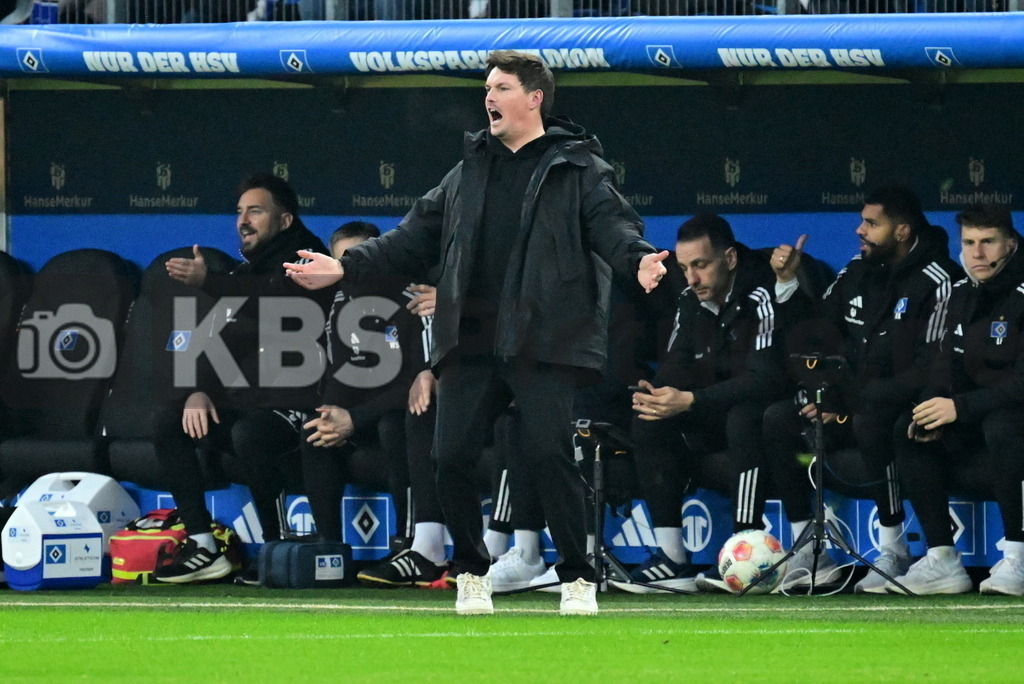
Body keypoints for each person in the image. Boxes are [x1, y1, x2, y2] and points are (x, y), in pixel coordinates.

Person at [285, 50, 668, 616]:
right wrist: (344, 268)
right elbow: (410, 237)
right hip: (471, 336)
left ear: (534, 98)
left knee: (550, 455)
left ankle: (578, 579)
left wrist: (637, 261)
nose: (489, 97)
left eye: (502, 87)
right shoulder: (468, 171)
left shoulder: (578, 167)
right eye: (487, 87)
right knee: (451, 456)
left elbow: (613, 224)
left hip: (542, 337)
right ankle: (470, 573)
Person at [763, 185, 961, 593]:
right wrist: (787, 282)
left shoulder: (939, 280)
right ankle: (811, 549)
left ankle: (893, 549)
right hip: (849, 403)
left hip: (896, 407)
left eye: (872, 223)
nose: (860, 230)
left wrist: (849, 406)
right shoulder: (858, 269)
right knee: (778, 419)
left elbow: (929, 369)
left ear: (902, 231)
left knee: (873, 419)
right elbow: (818, 331)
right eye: (862, 221)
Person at [152, 172, 333, 583]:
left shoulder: (309, 261)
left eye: (255, 211)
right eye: (239, 212)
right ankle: (203, 544)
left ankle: (275, 548)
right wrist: (198, 390)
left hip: (302, 404)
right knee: (169, 421)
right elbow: (212, 338)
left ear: (285, 221)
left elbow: (278, 305)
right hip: (252, 402)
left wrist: (209, 283)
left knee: (250, 433)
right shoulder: (241, 275)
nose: (243, 220)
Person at [610, 213, 790, 594]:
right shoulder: (690, 301)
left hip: (765, 423)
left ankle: (743, 549)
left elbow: (766, 379)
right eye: (684, 267)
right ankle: (672, 559)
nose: (691, 278)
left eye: (700, 265)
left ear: (730, 259)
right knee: (649, 418)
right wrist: (657, 393)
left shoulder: (760, 294)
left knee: (743, 418)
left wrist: (691, 400)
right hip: (708, 418)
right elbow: (677, 364)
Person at [888, 204, 1024, 595]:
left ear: (1010, 244)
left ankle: (1017, 556)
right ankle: (942, 560)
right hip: (978, 416)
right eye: (969, 243)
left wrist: (959, 408)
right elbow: (945, 366)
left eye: (988, 242)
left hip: (1012, 419)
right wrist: (934, 404)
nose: (977, 253)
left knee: (1003, 425)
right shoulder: (962, 294)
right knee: (911, 426)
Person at [301, 221, 444, 586]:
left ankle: (408, 543)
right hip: (361, 416)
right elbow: (338, 375)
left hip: (395, 414)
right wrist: (334, 414)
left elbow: (418, 383)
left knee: (398, 423)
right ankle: (329, 552)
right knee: (315, 431)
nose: (350, 276)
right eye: (341, 265)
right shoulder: (340, 303)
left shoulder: (411, 296)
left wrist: (355, 418)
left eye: (356, 263)